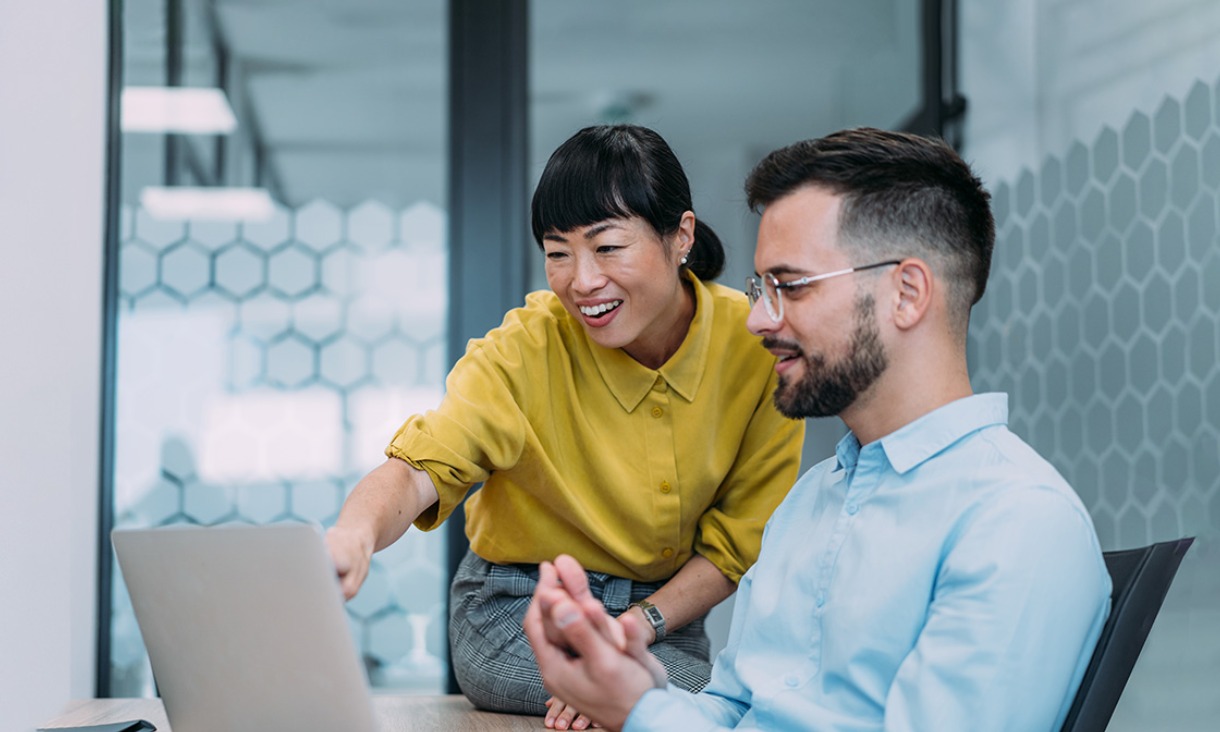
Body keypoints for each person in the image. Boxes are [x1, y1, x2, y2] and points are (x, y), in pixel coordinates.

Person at [525, 127, 1112, 731]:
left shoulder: (1016, 523)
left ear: (907, 293)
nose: (757, 319)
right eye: (761, 288)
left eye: (792, 286)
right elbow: (733, 709)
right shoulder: (811, 502)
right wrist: (632, 685)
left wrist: (641, 711)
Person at [325, 124, 805, 726]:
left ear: (680, 236)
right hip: (515, 612)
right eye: (558, 253)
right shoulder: (526, 347)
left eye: (607, 248)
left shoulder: (756, 347)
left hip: (664, 620)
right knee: (688, 708)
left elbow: (738, 546)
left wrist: (629, 633)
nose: (581, 281)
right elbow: (423, 467)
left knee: (708, 703)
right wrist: (355, 532)